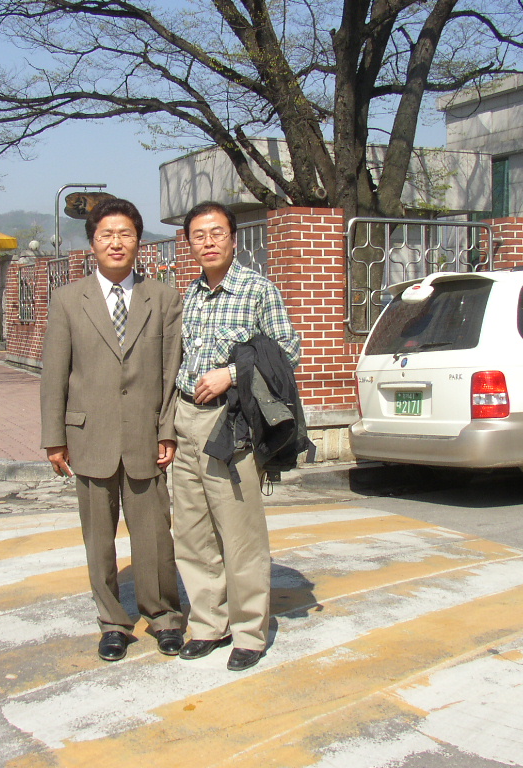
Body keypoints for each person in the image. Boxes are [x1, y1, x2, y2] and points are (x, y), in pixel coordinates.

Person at [40, 197, 186, 662]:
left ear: (139, 241)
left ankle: (164, 616)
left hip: (146, 436)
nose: (116, 242)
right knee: (98, 540)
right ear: (93, 244)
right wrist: (54, 438)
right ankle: (112, 622)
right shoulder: (68, 299)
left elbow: (171, 371)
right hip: (89, 436)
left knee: (155, 536)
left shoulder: (163, 298)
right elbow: (54, 373)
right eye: (107, 235)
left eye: (125, 234)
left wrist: (168, 430)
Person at [173, 200, 300, 671]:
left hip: (230, 423)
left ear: (233, 238)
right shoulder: (188, 294)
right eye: (199, 235)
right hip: (184, 418)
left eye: (217, 233)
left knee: (240, 532)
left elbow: (288, 350)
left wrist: (230, 373)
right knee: (192, 531)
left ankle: (249, 631)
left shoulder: (257, 289)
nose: (208, 243)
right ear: (190, 244)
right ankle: (209, 624)